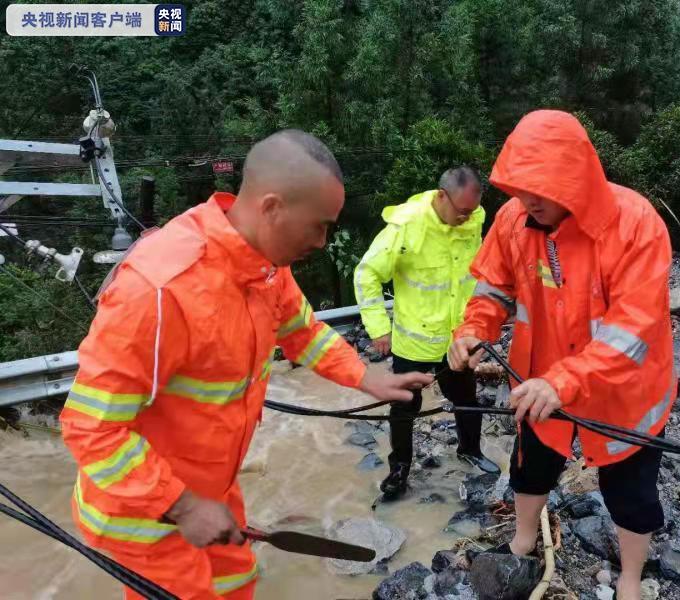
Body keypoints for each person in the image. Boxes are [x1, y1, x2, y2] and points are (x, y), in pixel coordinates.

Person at [59, 130, 432, 600]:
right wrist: (182, 505)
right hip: (145, 516)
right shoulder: (159, 290)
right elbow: (91, 428)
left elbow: (302, 330)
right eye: (318, 225)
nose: (322, 241)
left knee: (238, 581)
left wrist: (366, 377)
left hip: (209, 491)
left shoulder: (265, 266)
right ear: (271, 207)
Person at [448, 110, 675, 600]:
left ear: (576, 180)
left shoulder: (635, 224)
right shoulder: (513, 220)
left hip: (623, 396)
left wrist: (565, 380)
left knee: (631, 494)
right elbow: (493, 289)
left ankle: (631, 578)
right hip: (540, 382)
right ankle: (524, 538)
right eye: (520, 188)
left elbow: (632, 329)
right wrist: (473, 330)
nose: (528, 200)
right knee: (530, 467)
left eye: (542, 189)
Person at [355, 167, 500, 500]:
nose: (467, 218)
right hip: (414, 341)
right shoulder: (407, 227)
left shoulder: (474, 218)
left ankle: (470, 450)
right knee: (404, 406)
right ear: (441, 196)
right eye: (461, 211)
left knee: (466, 399)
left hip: (457, 339)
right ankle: (400, 469)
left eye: (472, 210)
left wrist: (477, 329)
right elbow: (366, 274)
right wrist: (378, 327)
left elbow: (476, 277)